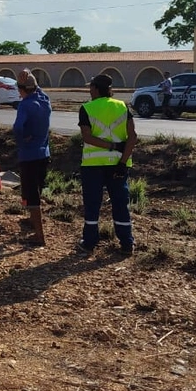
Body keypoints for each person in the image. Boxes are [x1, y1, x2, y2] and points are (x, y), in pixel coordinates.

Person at [77, 74, 138, 256]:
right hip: (118, 165)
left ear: (95, 88)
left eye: (91, 87)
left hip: (93, 165)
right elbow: (132, 137)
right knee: (120, 204)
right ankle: (127, 243)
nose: (89, 90)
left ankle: (89, 243)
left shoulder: (87, 108)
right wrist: (122, 161)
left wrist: (110, 146)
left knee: (92, 205)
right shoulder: (122, 106)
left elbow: (87, 137)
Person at [12, 69, 52, 247]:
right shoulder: (44, 101)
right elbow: (38, 89)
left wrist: (22, 140)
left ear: (22, 89)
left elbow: (18, 127)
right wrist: (30, 79)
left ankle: (39, 236)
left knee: (31, 194)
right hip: (44, 154)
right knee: (36, 190)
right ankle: (32, 223)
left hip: (29, 155)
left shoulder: (25, 105)